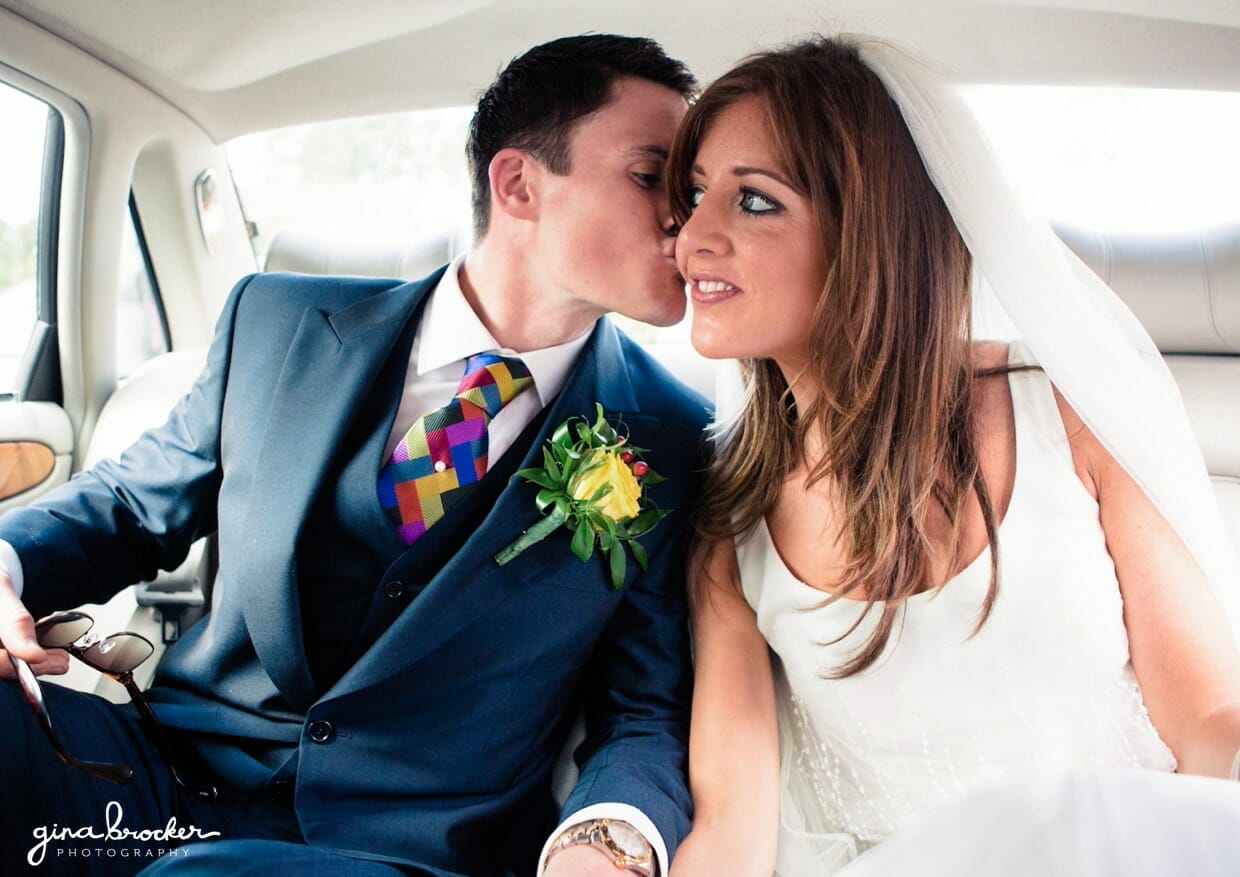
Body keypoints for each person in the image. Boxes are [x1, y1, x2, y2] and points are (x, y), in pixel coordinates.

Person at [0, 34, 710, 877]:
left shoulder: (668, 436)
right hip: (160, 779)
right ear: (517, 183)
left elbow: (645, 710)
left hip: (403, 849)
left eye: (691, 191)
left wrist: (607, 842)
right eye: (650, 175)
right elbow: (127, 505)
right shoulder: (276, 321)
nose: (686, 217)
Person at [665, 35, 1240, 876]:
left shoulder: (1064, 411)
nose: (692, 238)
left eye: (754, 201)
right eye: (692, 194)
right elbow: (729, 832)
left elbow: (1211, 717)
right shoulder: (732, 510)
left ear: (868, 229)